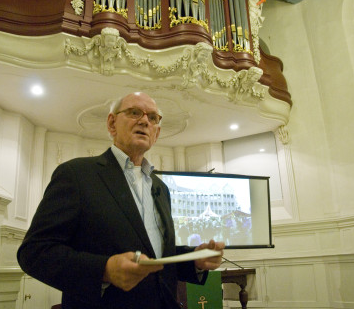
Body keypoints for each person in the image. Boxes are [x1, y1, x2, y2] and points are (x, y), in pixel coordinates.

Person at [17, 91, 225, 309]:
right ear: (112, 123)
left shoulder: (160, 188)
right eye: (135, 113)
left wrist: (194, 259)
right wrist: (104, 270)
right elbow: (35, 252)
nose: (144, 121)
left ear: (157, 132)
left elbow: (158, 256)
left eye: (152, 118)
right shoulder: (76, 174)